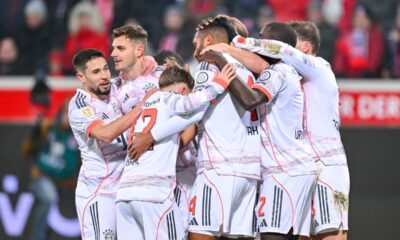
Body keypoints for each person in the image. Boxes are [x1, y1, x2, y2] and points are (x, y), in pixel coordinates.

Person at [129, 16, 261, 239]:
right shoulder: (249, 69)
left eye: (195, 44)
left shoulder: (210, 63)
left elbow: (194, 111)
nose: (195, 52)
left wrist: (151, 135)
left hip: (218, 170)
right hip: (249, 172)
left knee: (199, 233)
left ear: (208, 40)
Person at [224, 21, 349, 240]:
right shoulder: (288, 73)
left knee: (331, 233)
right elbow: (261, 64)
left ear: (306, 47)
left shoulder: (319, 67)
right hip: (302, 163)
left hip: (326, 163)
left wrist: (234, 43)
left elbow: (282, 49)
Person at [202, 22, 318, 239]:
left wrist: (220, 61)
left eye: (261, 38)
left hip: (286, 170)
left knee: (271, 235)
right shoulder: (285, 71)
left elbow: (250, 100)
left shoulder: (279, 72)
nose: (256, 43)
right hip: (295, 167)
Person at [116, 64, 236, 239]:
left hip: (125, 195)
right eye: (187, 92)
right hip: (153, 195)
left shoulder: (146, 104)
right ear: (181, 90)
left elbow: (189, 117)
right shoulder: (168, 98)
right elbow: (191, 105)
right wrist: (218, 84)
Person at [68, 48, 142, 240]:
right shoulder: (80, 106)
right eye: (96, 72)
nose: (104, 76)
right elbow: (106, 134)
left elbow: (139, 73)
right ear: (81, 77)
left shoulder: (116, 88)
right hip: (100, 192)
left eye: (105, 69)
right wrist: (143, 107)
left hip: (127, 188)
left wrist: (149, 62)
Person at [22, 101, 80, 240]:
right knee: (49, 196)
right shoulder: (48, 127)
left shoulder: (78, 137)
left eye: (70, 113)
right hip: (41, 177)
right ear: (60, 113)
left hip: (64, 184)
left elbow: (73, 169)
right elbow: (27, 151)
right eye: (65, 112)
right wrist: (35, 136)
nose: (67, 117)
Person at [110, 24, 160, 114]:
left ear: (139, 51)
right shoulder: (113, 90)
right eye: (113, 48)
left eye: (120, 48)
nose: (113, 54)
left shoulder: (162, 76)